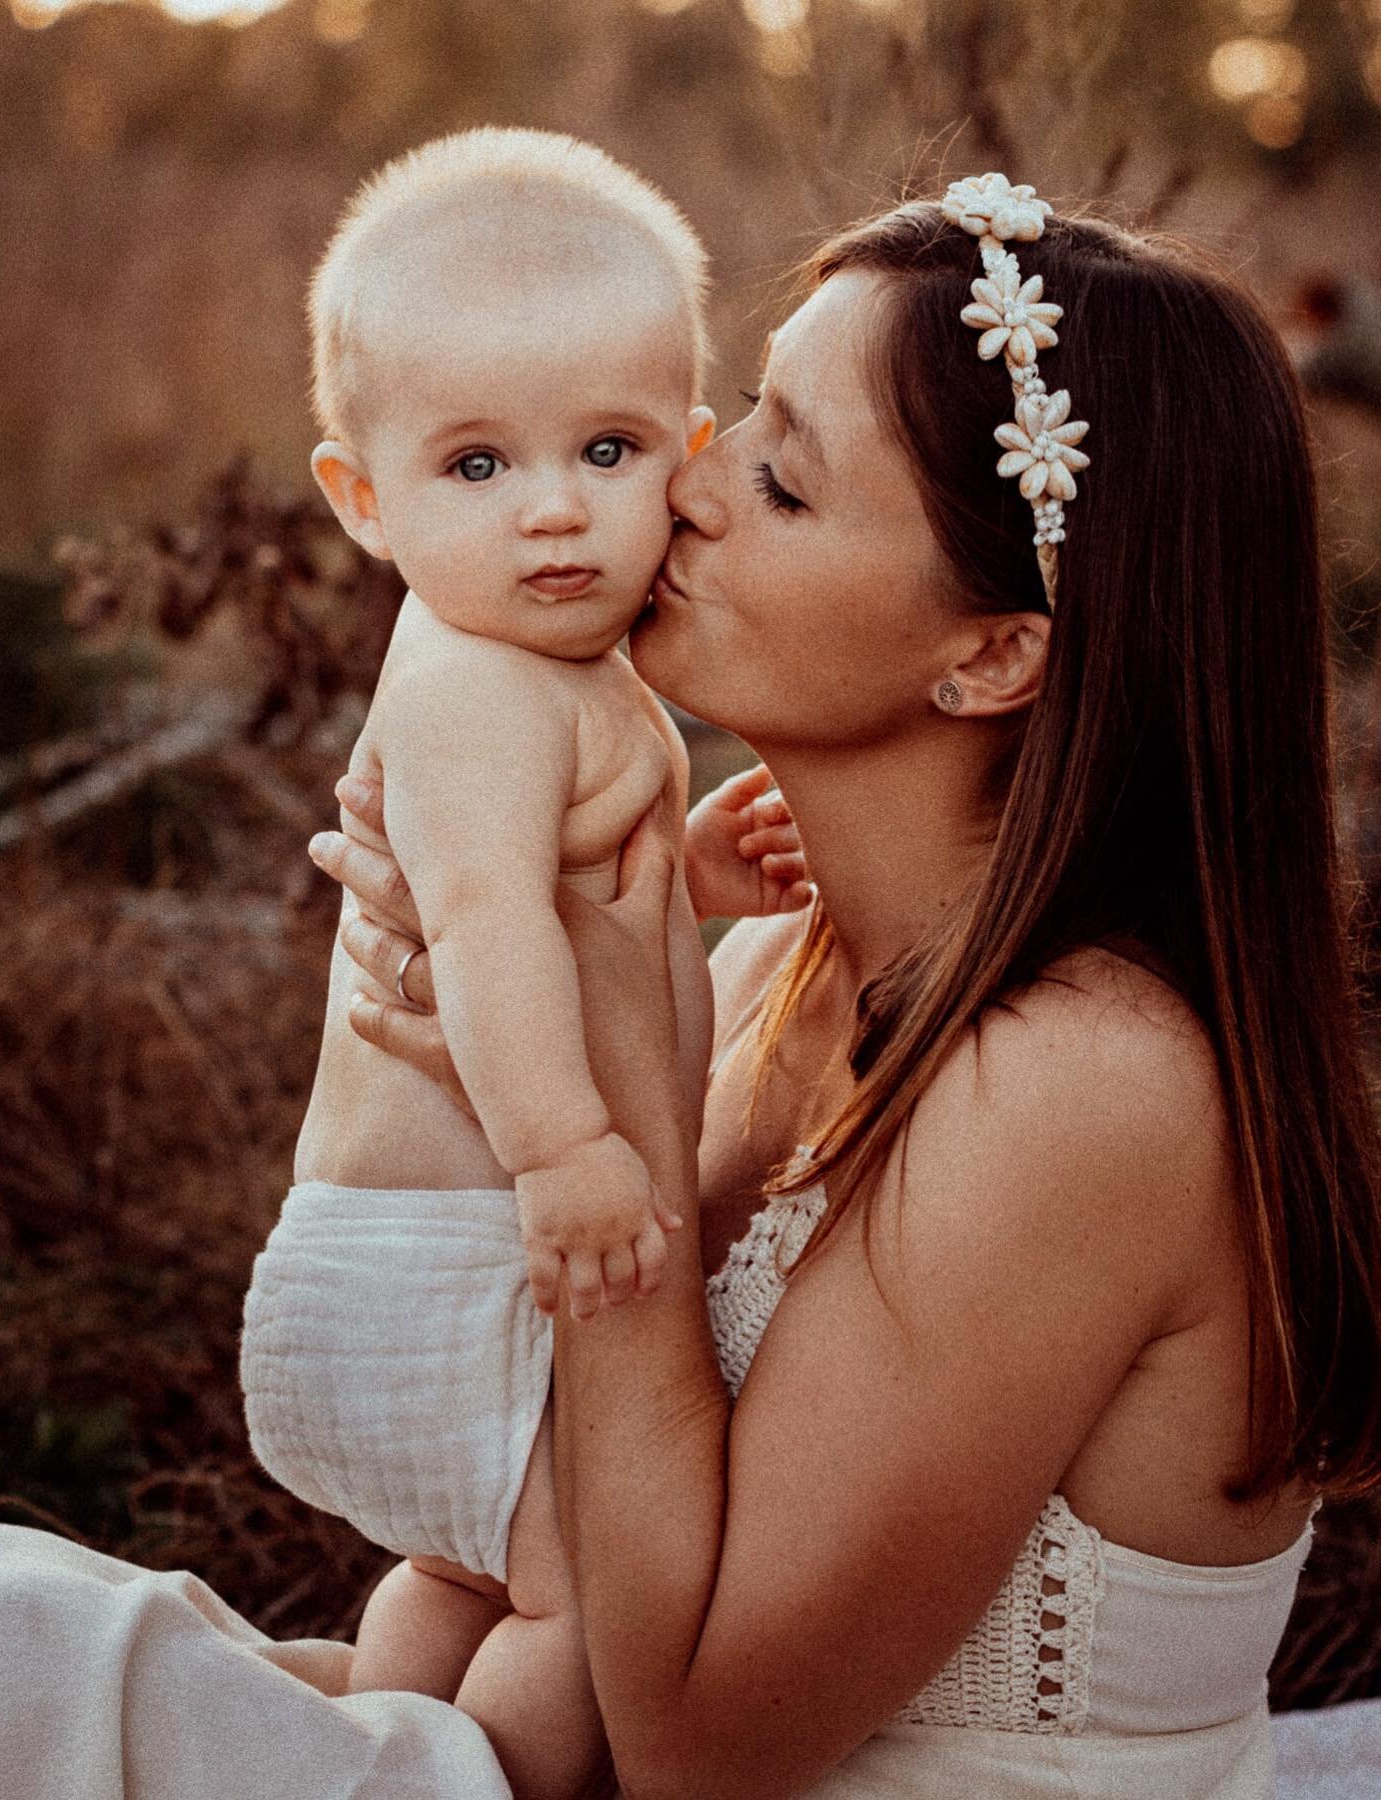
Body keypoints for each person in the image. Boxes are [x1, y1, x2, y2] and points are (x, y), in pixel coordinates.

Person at [302, 175, 1381, 1797]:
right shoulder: (759, 964)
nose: (691, 481)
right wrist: (471, 1036)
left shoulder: (1084, 1084)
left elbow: (696, 1753)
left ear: (994, 656)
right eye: (735, 412)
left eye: (786, 482)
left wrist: (619, 1127)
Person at [236, 126, 805, 1800]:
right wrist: (565, 1154)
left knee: (462, 1572)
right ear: (363, 496)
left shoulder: (532, 660)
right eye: (475, 465)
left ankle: (366, 1757)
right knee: (584, 1606)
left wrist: (686, 872)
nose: (555, 509)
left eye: (608, 449)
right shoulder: (480, 686)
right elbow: (483, 928)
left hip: (405, 1257)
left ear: (687, 461)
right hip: (462, 1247)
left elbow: (567, 900)